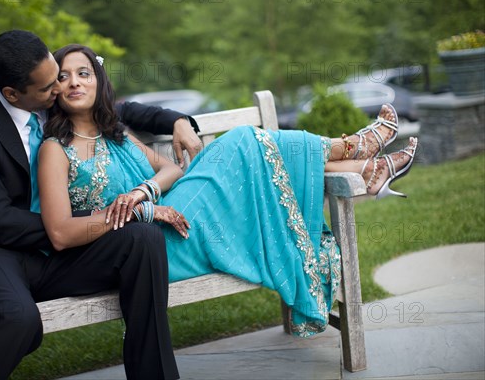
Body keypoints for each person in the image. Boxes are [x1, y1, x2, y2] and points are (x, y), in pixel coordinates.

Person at [38, 44, 418, 340]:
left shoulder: (115, 135)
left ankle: (363, 166)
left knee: (244, 146)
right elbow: (60, 232)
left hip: (175, 217)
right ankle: (352, 153)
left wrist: (143, 191)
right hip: (152, 244)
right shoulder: (56, 148)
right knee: (241, 142)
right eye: (65, 76)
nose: (74, 82)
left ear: (97, 81)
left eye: (84, 73)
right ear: (53, 90)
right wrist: (145, 209)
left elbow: (169, 168)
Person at [0, 30, 200, 379]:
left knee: (143, 239)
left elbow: (120, 109)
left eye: (58, 76)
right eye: (49, 86)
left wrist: (178, 121)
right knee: (19, 320)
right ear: (13, 94)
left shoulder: (49, 93)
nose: (60, 89)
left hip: (55, 254)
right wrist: (97, 218)